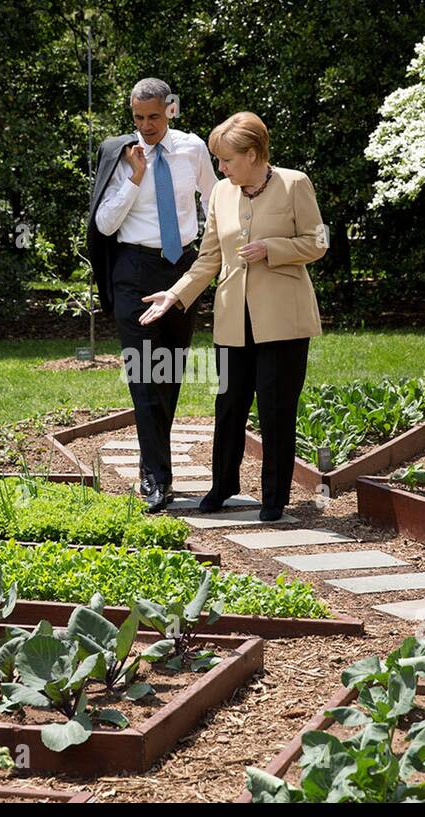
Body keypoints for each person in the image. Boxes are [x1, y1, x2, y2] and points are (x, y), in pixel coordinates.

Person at [139, 112, 325, 522]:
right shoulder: (221, 193)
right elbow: (208, 259)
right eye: (217, 160)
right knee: (229, 407)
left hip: (283, 322)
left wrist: (273, 248)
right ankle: (223, 485)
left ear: (254, 154)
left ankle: (274, 496)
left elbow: (317, 242)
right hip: (232, 320)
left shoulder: (295, 183)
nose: (220, 168)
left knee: (276, 409)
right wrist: (174, 294)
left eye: (226, 160)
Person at [86, 77, 218, 511]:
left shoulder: (193, 148)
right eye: (138, 117)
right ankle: (156, 478)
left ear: (172, 110)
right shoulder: (120, 155)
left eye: (154, 117)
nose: (145, 126)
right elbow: (104, 224)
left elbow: (215, 198)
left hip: (179, 271)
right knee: (143, 373)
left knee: (170, 373)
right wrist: (135, 178)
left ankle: (155, 465)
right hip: (133, 269)